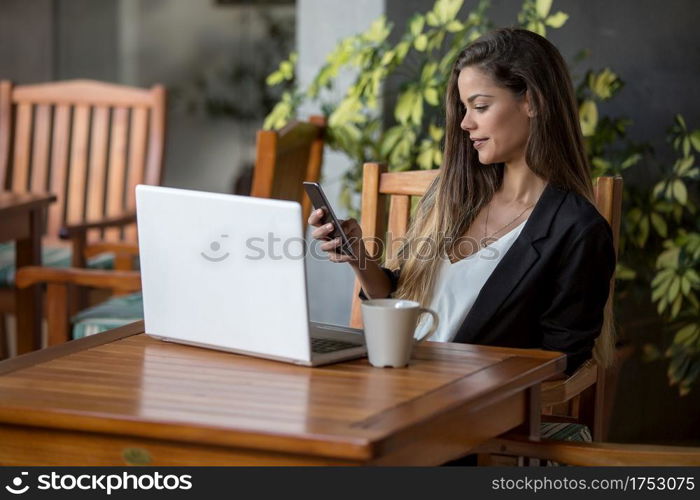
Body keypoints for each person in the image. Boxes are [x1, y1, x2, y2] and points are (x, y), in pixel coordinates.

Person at [309, 27, 616, 377]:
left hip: (465, 405)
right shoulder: (452, 196)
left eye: (480, 106)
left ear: (533, 101)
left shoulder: (577, 230)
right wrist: (358, 256)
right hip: (392, 380)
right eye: (464, 108)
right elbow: (403, 299)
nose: (466, 123)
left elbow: (560, 362)